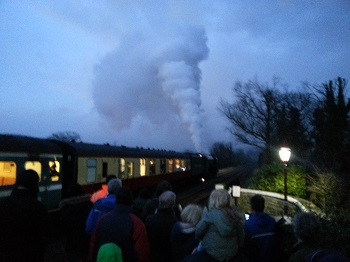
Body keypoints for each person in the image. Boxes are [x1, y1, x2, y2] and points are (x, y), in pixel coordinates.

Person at [89, 186, 150, 262]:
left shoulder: (102, 220)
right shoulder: (137, 223)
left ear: (116, 200)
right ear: (131, 201)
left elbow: (93, 246)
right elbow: (142, 253)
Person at [0, 169, 49, 262]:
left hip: (7, 254)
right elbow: (46, 233)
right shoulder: (38, 207)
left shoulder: (3, 204)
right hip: (30, 254)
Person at [188, 189, 245, 262]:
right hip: (231, 254)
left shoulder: (210, 215)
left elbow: (198, 231)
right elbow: (241, 237)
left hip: (210, 253)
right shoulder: (236, 216)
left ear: (213, 200)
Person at [59, 183, 93, 262]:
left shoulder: (66, 208)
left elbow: (63, 227)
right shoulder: (89, 205)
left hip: (71, 243)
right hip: (86, 242)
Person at [145, 190, 179, 262]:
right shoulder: (175, 222)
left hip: (153, 256)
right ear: (173, 205)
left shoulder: (149, 220)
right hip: (169, 257)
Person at [243, 194, 277, 262]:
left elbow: (245, 245)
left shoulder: (248, 224)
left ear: (251, 207)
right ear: (264, 206)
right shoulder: (272, 221)